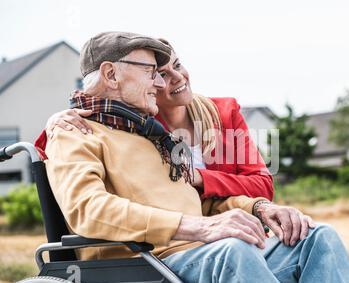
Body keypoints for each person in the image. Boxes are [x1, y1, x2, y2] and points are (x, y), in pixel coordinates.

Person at [45, 31, 349, 283]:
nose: (158, 81)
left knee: (315, 238)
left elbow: (197, 201)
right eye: (149, 70)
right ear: (111, 74)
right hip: (143, 264)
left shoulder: (148, 131)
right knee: (232, 252)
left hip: (200, 253)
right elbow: (87, 209)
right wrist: (198, 227)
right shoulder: (75, 132)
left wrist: (258, 207)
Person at [36, 40, 274, 201]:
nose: (178, 77)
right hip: (192, 242)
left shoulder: (223, 112)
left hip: (239, 228)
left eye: (178, 65)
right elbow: (49, 152)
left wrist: (201, 178)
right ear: (148, 81)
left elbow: (263, 187)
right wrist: (54, 122)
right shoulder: (140, 125)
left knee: (311, 236)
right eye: (160, 74)